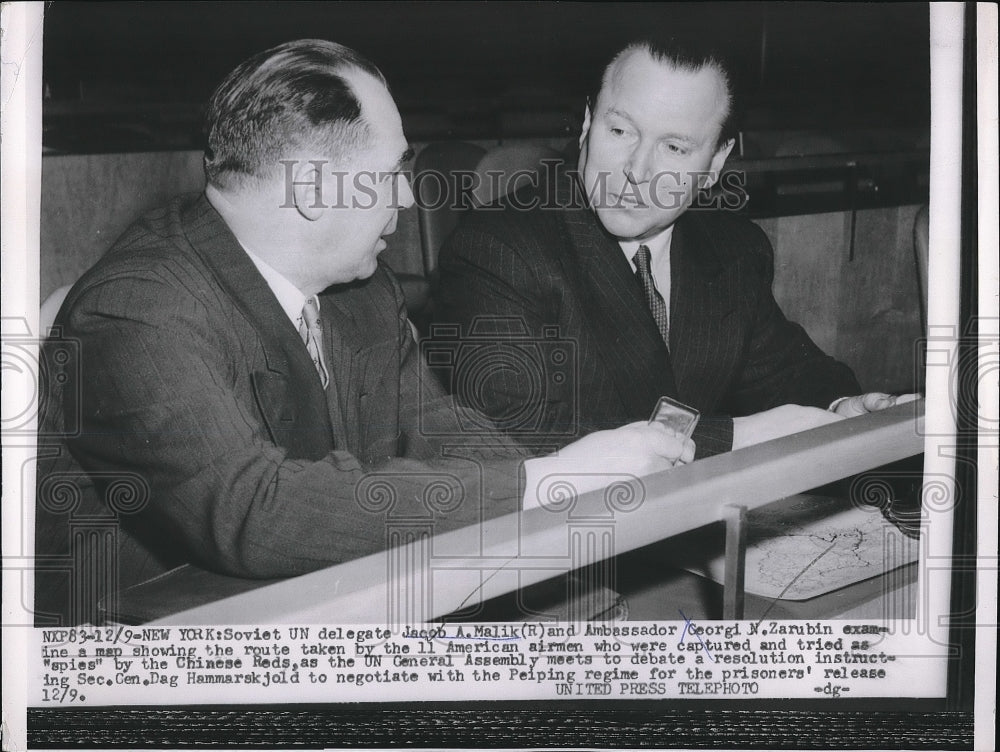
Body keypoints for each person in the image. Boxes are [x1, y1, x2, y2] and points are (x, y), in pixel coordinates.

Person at [34, 40, 693, 626]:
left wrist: (564, 497)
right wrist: (547, 485)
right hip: (153, 655)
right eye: (391, 174)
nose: (409, 199)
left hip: (324, 605)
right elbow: (254, 513)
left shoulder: (360, 286)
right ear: (316, 189)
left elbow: (437, 426)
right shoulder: (136, 307)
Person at [433, 38, 906, 457]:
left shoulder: (734, 247)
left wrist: (842, 406)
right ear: (586, 123)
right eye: (619, 131)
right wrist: (738, 437)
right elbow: (514, 436)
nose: (635, 170)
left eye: (675, 148)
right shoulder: (494, 248)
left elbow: (782, 369)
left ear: (716, 162)